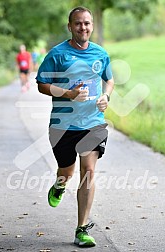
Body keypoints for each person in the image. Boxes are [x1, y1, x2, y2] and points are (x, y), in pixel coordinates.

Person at [36, 6, 114, 247]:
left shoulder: (100, 54)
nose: (83, 27)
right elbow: (41, 84)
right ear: (70, 27)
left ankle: (82, 228)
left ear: (92, 25)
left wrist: (106, 97)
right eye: (78, 23)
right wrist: (67, 93)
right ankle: (60, 186)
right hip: (63, 125)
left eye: (87, 23)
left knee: (88, 172)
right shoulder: (57, 55)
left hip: (93, 123)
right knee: (67, 173)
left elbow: (109, 80)